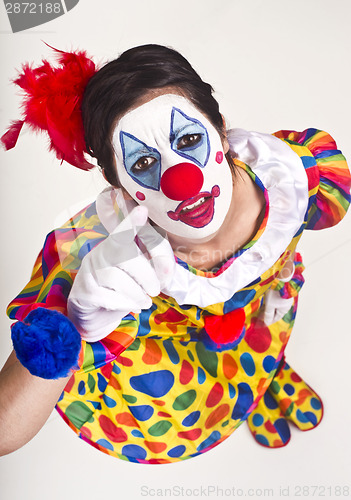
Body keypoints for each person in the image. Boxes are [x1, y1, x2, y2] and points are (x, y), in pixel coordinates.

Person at [0, 44, 350, 463]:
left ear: (220, 129)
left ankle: (270, 374)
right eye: (144, 162)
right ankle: (249, 394)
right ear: (118, 186)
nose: (181, 181)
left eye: (188, 139)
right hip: (176, 344)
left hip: (260, 306)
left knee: (262, 346)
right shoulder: (90, 251)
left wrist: (281, 276)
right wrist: (74, 323)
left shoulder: (294, 174)